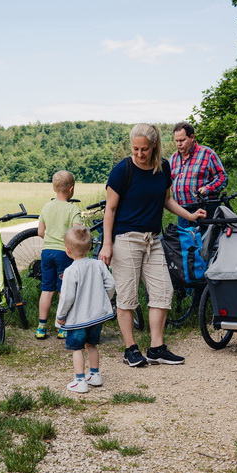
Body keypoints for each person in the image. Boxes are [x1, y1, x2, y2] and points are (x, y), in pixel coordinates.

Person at [98, 123, 207, 367]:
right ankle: (130, 349)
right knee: (127, 297)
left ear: (154, 146)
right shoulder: (122, 170)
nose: (139, 154)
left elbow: (167, 199)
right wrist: (107, 244)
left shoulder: (163, 167)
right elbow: (110, 210)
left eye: (144, 149)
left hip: (153, 240)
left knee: (163, 292)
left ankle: (157, 348)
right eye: (135, 149)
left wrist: (189, 216)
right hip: (126, 240)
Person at [56, 227, 116, 393]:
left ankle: (80, 380)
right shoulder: (98, 265)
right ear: (90, 247)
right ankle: (95, 375)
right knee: (92, 344)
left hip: (78, 320)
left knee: (77, 348)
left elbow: (67, 297)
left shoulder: (71, 271)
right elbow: (111, 285)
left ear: (67, 251)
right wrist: (104, 300)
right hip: (97, 317)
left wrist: (61, 316)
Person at [36, 170, 83, 340]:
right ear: (71, 189)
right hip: (64, 253)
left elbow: (40, 232)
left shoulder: (46, 207)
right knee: (64, 290)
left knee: (47, 289)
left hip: (47, 252)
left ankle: (41, 326)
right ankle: (62, 326)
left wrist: (51, 237)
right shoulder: (72, 209)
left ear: (54, 188)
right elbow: (77, 234)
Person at [169, 122, 227, 227]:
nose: (179, 144)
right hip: (183, 212)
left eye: (182, 140)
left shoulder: (207, 154)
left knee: (207, 242)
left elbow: (222, 178)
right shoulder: (173, 159)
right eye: (176, 141)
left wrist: (207, 189)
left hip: (205, 210)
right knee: (187, 242)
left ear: (192, 137)